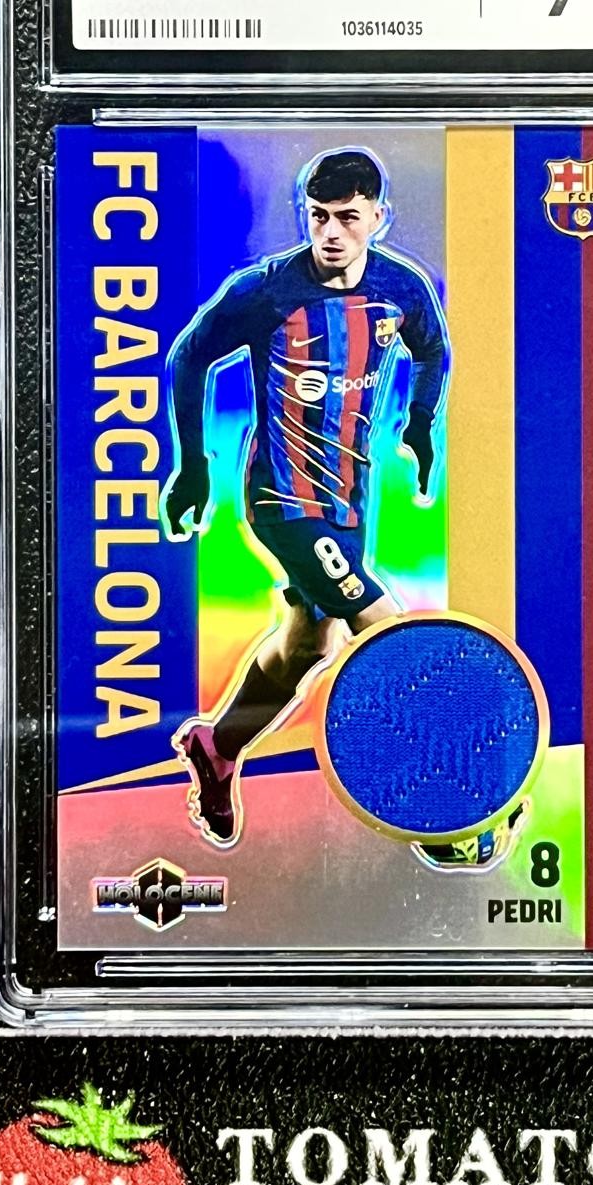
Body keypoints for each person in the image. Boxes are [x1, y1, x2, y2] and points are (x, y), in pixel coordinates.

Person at [161, 147, 451, 853]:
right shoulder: (267, 291)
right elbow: (190, 355)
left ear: (377, 218)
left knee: (306, 647)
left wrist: (419, 422)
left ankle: (217, 747)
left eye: (348, 217)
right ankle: (442, 800)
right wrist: (192, 465)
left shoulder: (401, 289)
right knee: (383, 629)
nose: (330, 232)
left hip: (348, 504)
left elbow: (433, 351)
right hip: (282, 500)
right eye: (318, 216)